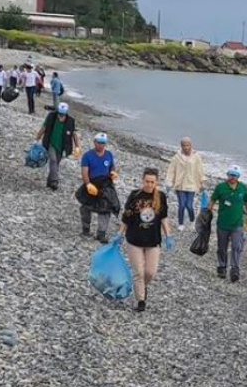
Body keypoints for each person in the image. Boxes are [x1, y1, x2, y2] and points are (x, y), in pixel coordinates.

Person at [119, 168, 173, 312]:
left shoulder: (160, 196)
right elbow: (126, 217)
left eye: (152, 182)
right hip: (134, 240)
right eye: (147, 181)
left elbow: (163, 217)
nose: (149, 185)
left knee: (150, 272)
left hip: (153, 241)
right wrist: (119, 234)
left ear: (156, 182)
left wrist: (168, 235)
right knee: (139, 272)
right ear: (143, 180)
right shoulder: (134, 195)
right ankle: (141, 300)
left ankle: (142, 286)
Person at [207, 165, 247, 283]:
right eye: (230, 174)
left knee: (237, 246)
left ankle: (235, 269)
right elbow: (212, 200)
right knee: (222, 247)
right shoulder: (220, 187)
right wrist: (207, 212)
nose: (232, 177)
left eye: (235, 175)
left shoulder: (242, 188)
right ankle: (222, 267)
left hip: (237, 224)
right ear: (227, 175)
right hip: (222, 224)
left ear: (238, 176)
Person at [76, 132, 120, 243]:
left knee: (106, 209)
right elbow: (84, 172)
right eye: (99, 142)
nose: (101, 145)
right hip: (92, 183)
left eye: (103, 143)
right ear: (94, 142)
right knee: (86, 207)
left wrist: (113, 172)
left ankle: (101, 234)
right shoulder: (87, 156)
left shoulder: (109, 155)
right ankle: (86, 229)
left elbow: (112, 167)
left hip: (105, 185)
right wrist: (88, 184)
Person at [36, 102, 79, 190]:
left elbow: (74, 134)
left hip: (62, 146)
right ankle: (55, 181)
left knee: (56, 164)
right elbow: (44, 127)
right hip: (51, 143)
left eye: (62, 115)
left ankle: (49, 183)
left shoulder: (71, 121)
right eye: (59, 114)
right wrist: (37, 138)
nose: (60, 116)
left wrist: (77, 147)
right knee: (53, 160)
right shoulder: (51, 117)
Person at [165, 136, 206, 231]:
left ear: (191, 145)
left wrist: (202, 182)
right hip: (180, 185)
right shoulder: (176, 157)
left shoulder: (196, 156)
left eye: (187, 145)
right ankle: (181, 223)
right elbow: (171, 170)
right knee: (182, 205)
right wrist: (169, 182)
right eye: (184, 145)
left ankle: (192, 221)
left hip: (191, 185)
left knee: (189, 206)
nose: (186, 147)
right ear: (181, 146)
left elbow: (200, 170)